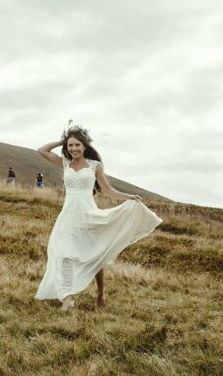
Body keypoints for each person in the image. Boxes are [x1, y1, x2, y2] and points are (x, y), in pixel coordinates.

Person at [35, 125, 161, 311]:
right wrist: (63, 140)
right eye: (70, 146)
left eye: (77, 145)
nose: (73, 149)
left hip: (88, 214)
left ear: (85, 146)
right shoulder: (65, 163)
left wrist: (128, 197)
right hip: (68, 216)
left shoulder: (95, 166)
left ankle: (101, 292)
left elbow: (108, 190)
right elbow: (42, 150)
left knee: (93, 254)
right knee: (64, 253)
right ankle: (68, 297)